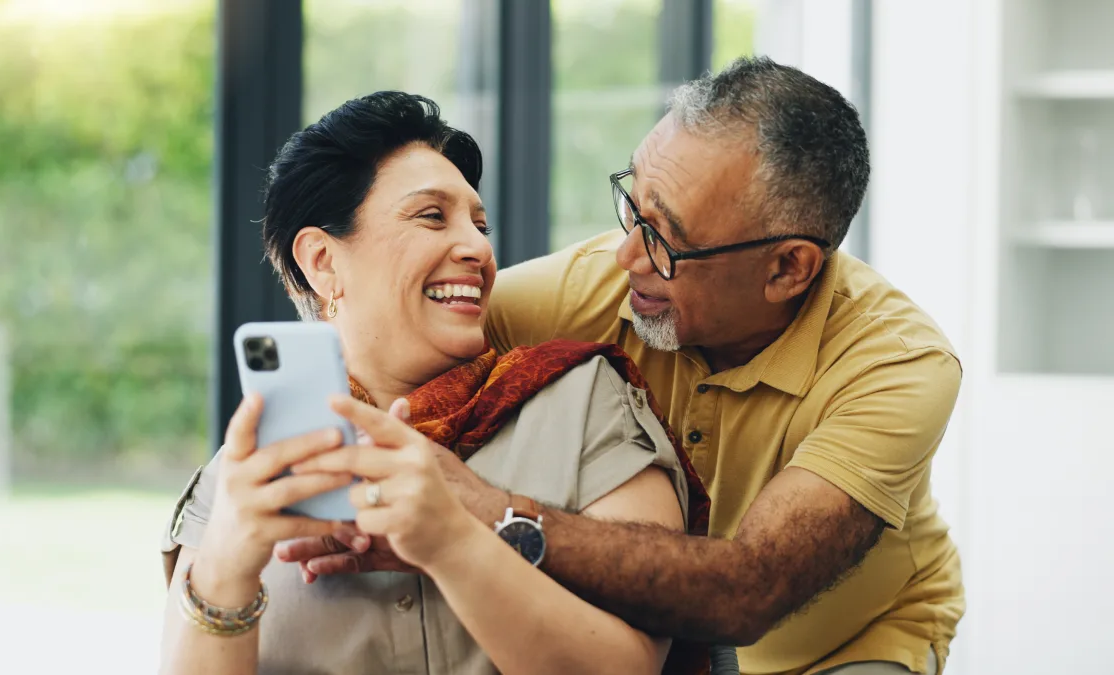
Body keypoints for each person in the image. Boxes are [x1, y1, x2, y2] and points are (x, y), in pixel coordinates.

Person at [285, 58, 965, 675]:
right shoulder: (591, 288)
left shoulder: (900, 366)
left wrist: (480, 513)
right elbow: (396, 328)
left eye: (667, 239)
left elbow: (748, 590)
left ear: (787, 267)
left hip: (842, 644)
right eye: (632, 207)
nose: (626, 258)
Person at [157, 91, 712, 675]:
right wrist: (224, 569)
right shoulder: (243, 479)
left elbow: (625, 667)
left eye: (481, 224)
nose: (479, 247)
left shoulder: (585, 402)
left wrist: (452, 541)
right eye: (431, 216)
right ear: (321, 261)